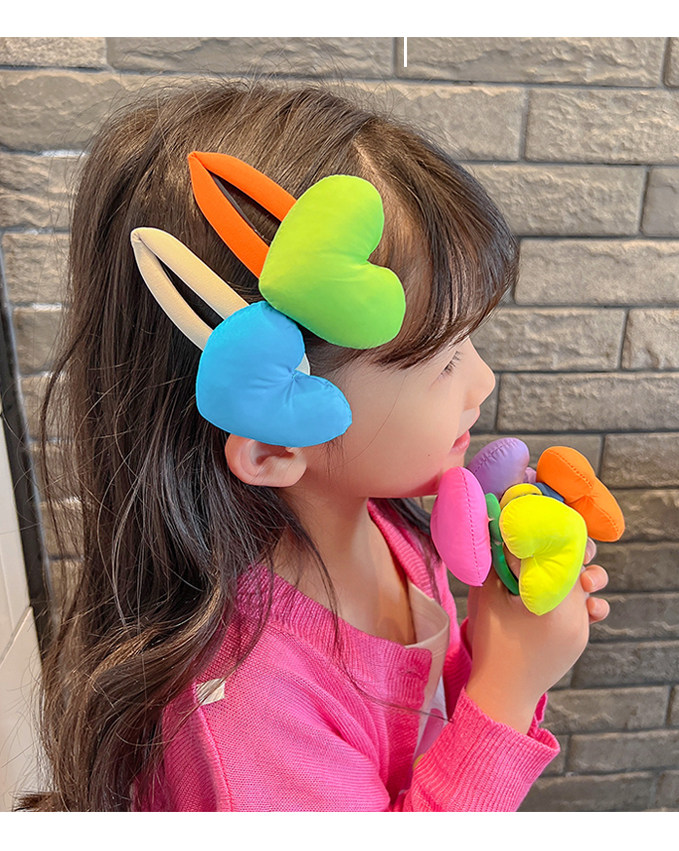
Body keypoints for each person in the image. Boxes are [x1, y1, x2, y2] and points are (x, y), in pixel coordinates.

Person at [22, 80, 609, 812]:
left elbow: (419, 732)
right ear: (275, 444)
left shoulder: (392, 527)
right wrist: (508, 691)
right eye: (444, 360)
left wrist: (505, 641)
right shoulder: (246, 711)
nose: (483, 380)